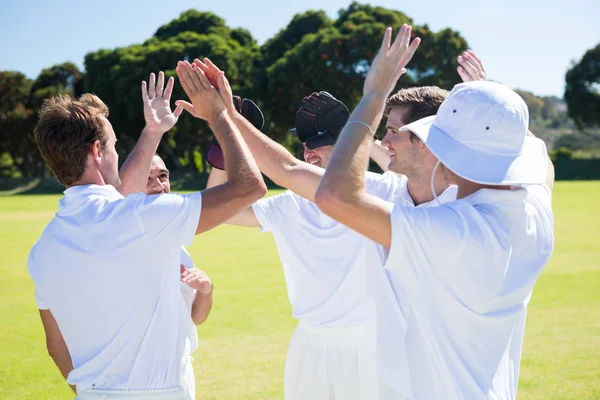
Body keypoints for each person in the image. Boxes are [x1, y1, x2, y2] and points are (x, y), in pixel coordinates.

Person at [315, 24, 555, 400]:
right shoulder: (535, 210)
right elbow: (543, 169)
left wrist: (373, 96)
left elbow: (334, 195)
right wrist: (489, 109)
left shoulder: (449, 229)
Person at [28, 62, 266, 399]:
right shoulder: (141, 218)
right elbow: (249, 187)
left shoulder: (43, 249)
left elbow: (56, 346)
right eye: (111, 146)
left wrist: (153, 132)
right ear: (98, 151)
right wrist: (220, 116)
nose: (114, 152)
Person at [145, 154, 214, 400]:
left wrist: (206, 291)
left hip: (180, 374)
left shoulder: (180, 248)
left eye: (162, 176)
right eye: (147, 178)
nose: (158, 185)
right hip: (140, 380)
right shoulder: (125, 244)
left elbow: (194, 318)